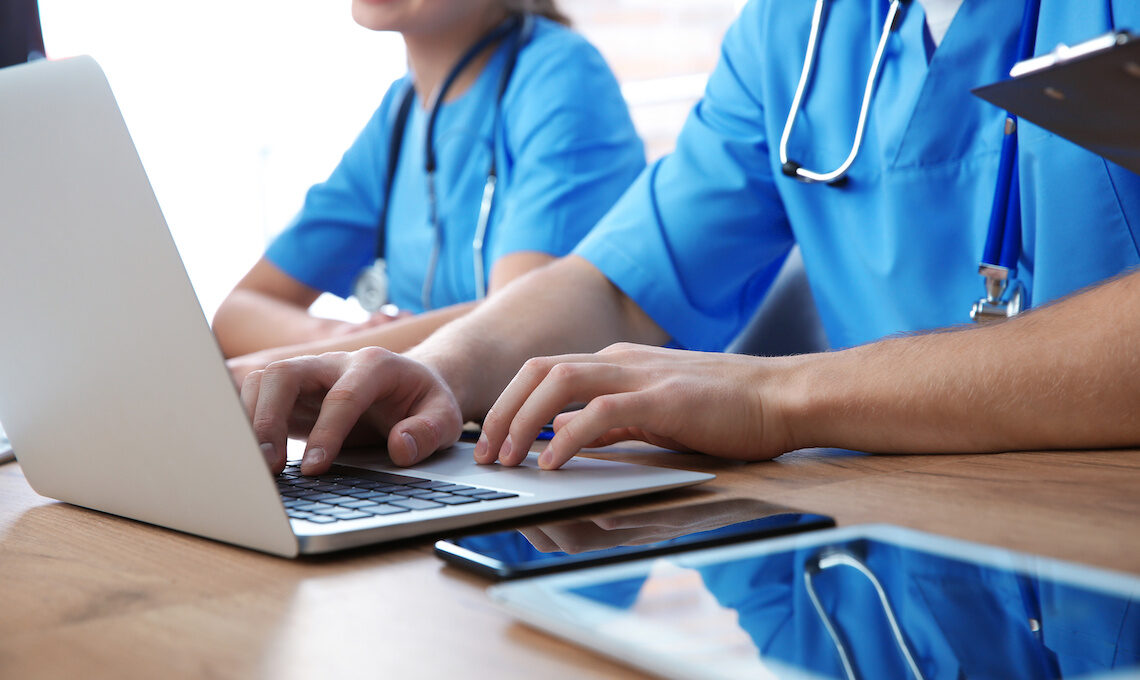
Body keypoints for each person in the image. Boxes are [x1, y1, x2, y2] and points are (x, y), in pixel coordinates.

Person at [240, 0, 1140, 477]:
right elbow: (617, 283)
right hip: (895, 534)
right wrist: (440, 370)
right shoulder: (792, 31)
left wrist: (777, 398)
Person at [212, 0, 645, 380]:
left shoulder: (561, 76)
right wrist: (346, 337)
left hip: (575, 449)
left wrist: (271, 372)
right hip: (451, 440)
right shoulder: (399, 115)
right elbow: (239, 313)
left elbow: (523, 323)